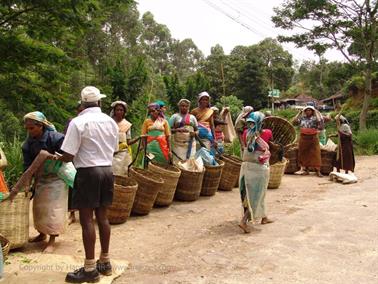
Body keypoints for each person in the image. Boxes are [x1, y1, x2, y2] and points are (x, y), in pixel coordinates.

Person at [56, 86, 119, 283]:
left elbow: (68, 155)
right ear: (99, 102)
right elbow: (114, 150)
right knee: (103, 217)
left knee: (86, 220)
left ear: (82, 104)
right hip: (107, 171)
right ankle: (105, 263)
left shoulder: (78, 122)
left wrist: (60, 157)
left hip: (88, 173)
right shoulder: (111, 122)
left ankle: (90, 269)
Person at [20, 112, 66, 253]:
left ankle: (52, 240)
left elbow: (68, 155)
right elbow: (27, 166)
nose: (29, 131)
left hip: (57, 177)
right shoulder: (28, 144)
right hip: (41, 178)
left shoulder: (56, 138)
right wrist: (27, 183)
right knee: (39, 208)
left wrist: (53, 157)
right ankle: (42, 234)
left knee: (53, 210)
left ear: (41, 126)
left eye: (32, 128)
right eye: (27, 128)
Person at [238, 112, 273, 233]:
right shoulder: (267, 133)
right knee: (257, 195)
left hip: (246, 167)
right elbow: (271, 145)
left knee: (248, 193)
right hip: (259, 168)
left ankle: (264, 217)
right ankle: (244, 220)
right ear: (261, 123)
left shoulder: (245, 133)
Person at [64, 101, 84, 225]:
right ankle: (72, 213)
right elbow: (65, 138)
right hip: (73, 157)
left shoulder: (90, 123)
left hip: (85, 160)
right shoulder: (72, 122)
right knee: (72, 184)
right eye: (80, 110)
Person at [292, 105, 323, 177]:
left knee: (316, 153)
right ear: (305, 112)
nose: (308, 111)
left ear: (312, 111)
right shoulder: (302, 118)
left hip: (313, 137)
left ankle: (318, 170)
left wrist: (317, 112)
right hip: (303, 137)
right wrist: (299, 113)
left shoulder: (315, 118)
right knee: (304, 153)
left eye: (310, 110)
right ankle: (306, 170)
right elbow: (294, 121)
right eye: (307, 110)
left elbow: (321, 122)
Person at [110, 100, 138, 175]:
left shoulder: (127, 125)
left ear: (124, 112)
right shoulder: (109, 122)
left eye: (121, 110)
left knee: (121, 172)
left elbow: (128, 142)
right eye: (117, 110)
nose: (119, 112)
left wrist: (138, 138)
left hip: (122, 153)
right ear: (114, 111)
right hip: (110, 151)